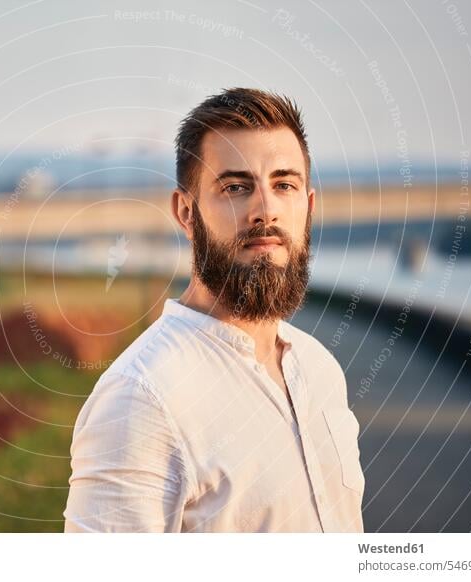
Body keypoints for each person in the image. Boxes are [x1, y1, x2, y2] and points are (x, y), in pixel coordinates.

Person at [63, 87, 364, 532]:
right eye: (236, 187)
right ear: (186, 212)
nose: (266, 210)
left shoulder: (320, 371)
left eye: (284, 185)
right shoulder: (141, 400)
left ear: (309, 206)